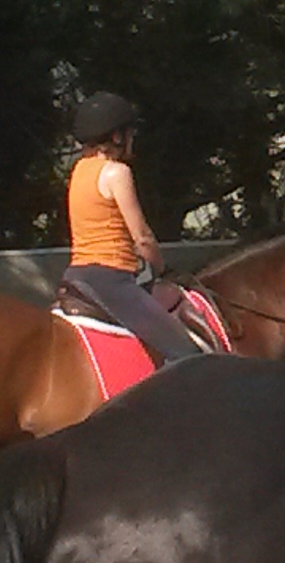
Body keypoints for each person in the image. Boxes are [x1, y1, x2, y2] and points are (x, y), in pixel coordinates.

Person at [62, 93, 210, 367]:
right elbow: (141, 236)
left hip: (78, 273)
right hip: (111, 280)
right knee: (188, 355)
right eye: (130, 132)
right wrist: (157, 267)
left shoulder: (79, 170)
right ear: (117, 136)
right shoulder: (116, 172)